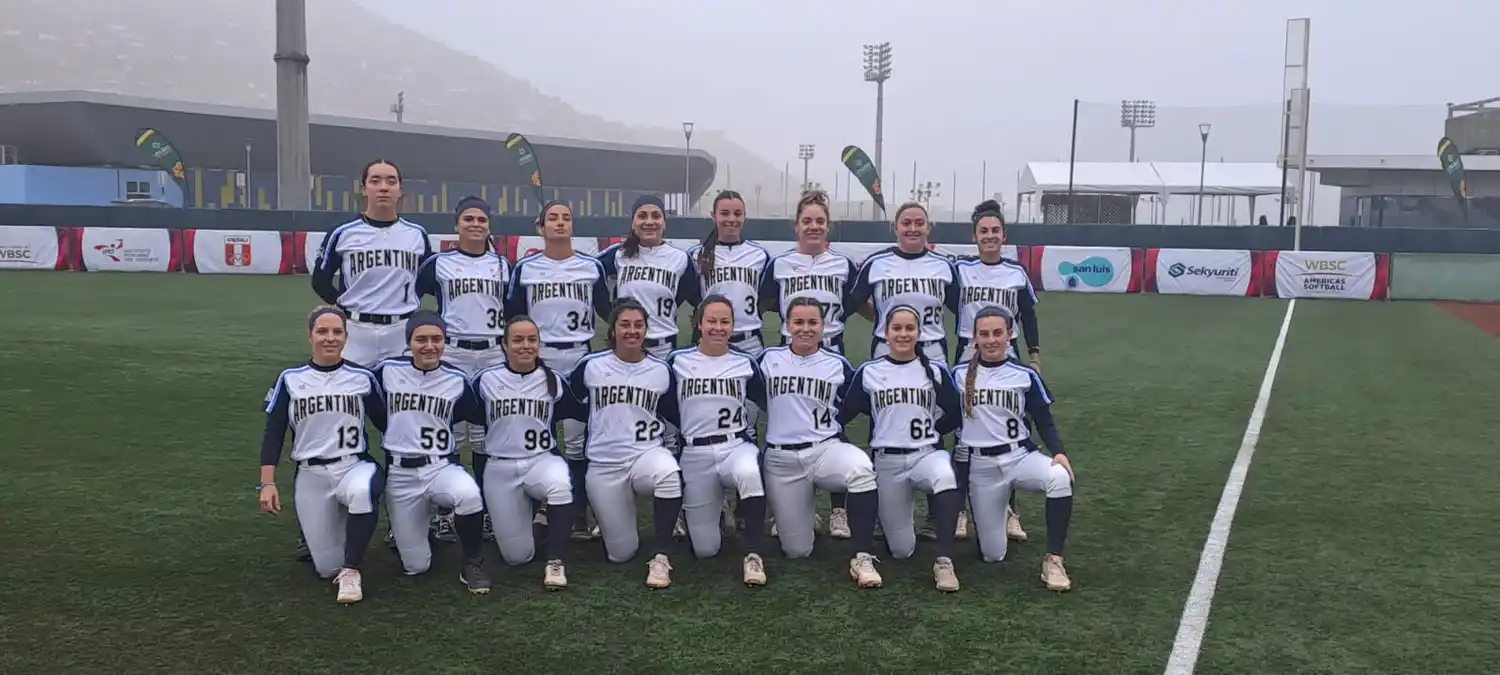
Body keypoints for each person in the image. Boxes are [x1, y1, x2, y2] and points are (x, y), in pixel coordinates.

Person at [257, 306, 388, 604]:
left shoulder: (362, 377)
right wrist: (267, 482)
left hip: (354, 464)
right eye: (322, 331)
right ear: (310, 336)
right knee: (327, 568)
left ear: (346, 337)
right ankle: (340, 535)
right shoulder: (290, 379)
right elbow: (274, 432)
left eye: (337, 332)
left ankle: (352, 570)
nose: (330, 338)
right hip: (311, 474)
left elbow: (387, 424)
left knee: (361, 492)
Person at [758, 297, 884, 588]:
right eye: (798, 322)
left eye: (812, 322)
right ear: (787, 326)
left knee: (861, 470)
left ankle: (862, 555)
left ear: (822, 326)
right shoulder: (767, 360)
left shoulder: (836, 363)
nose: (805, 328)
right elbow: (755, 396)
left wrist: (831, 422)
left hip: (824, 449)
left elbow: (856, 403)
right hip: (782, 460)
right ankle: (803, 512)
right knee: (797, 550)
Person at [505, 200, 611, 541]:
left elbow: (606, 310)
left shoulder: (590, 267)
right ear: (541, 227)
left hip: (579, 355)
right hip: (541, 359)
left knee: (578, 439)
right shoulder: (526, 268)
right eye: (553, 218)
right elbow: (514, 315)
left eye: (566, 217)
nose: (561, 223)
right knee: (540, 435)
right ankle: (541, 505)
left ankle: (578, 508)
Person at [839, 305, 964, 592]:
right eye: (897, 328)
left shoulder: (935, 370)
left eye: (910, 328)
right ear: (885, 332)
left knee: (945, 476)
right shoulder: (869, 372)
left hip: (926, 455)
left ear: (919, 333)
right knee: (901, 550)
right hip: (888, 462)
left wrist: (934, 431)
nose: (903, 334)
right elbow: (845, 412)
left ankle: (944, 561)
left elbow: (956, 414)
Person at [759, 189, 859, 539]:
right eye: (807, 221)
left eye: (819, 221)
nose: (813, 226)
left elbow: (856, 304)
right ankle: (786, 507)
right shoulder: (780, 263)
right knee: (786, 423)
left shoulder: (843, 265)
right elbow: (765, 302)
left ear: (828, 226)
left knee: (832, 428)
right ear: (796, 226)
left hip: (831, 354)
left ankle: (838, 511)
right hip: (790, 354)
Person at [565, 299, 684, 589]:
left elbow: (674, 414)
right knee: (621, 553)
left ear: (646, 330)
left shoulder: (660, 370)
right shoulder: (591, 366)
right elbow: (569, 404)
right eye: (625, 324)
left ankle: (660, 554)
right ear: (613, 328)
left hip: (646, 455)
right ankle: (612, 522)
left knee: (668, 473)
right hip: (604, 464)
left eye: (638, 325)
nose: (632, 331)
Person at [953, 306, 1074, 592]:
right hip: (981, 468)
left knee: (1059, 478)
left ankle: (1054, 559)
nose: (992, 340)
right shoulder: (957, 374)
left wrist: (1058, 452)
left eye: (998, 333)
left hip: (1019, 457)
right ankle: (1002, 508)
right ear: (974, 338)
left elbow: (1044, 419)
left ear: (1010, 335)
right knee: (993, 555)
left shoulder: (1024, 374)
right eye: (984, 334)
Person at [371, 311, 492, 594]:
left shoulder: (456, 378)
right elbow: (376, 409)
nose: (429, 346)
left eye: (437, 339)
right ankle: (423, 533)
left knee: (469, 495)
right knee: (416, 566)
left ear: (445, 342)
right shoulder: (387, 370)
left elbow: (472, 413)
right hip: (400, 473)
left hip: (440, 466)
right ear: (408, 342)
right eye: (421, 339)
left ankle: (472, 561)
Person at [415, 195, 510, 545]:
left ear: (489, 226)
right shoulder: (439, 263)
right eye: (468, 219)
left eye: (481, 220)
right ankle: (446, 511)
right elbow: (412, 297)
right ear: (456, 226)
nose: (475, 225)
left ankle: (483, 511)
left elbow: (512, 307)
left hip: (492, 355)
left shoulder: (502, 265)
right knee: (449, 434)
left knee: (487, 435)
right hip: (452, 353)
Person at [946, 199, 1041, 544]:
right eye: (983, 231)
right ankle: (959, 511)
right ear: (975, 236)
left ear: (1004, 235)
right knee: (964, 432)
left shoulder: (1016, 272)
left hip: (1007, 361)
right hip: (967, 359)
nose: (990, 236)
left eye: (995, 231)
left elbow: (1028, 315)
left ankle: (1009, 511)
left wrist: (1034, 356)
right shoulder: (961, 270)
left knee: (1009, 435)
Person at [667, 295, 770, 586]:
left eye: (725, 321)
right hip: (695, 452)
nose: (718, 327)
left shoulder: (745, 362)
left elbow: (765, 401)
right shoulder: (678, 361)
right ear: (699, 323)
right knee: (705, 549)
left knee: (749, 473)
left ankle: (753, 553)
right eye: (711, 320)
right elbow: (665, 405)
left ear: (733, 326)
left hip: (734, 446)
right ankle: (717, 507)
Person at [472, 315, 575, 590]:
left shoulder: (553, 380)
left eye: (532, 340)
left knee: (560, 485)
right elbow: (468, 414)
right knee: (517, 557)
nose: (525, 346)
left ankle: (556, 560)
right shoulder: (485, 380)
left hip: (541, 459)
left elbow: (578, 411)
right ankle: (541, 521)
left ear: (540, 344)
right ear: (504, 344)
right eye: (517, 340)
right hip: (500, 467)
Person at [311, 159, 433, 367]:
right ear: (363, 189)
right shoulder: (343, 233)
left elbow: (427, 279)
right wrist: (342, 305)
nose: (383, 187)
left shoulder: (417, 234)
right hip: (356, 329)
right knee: (352, 392)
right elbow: (320, 280)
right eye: (375, 181)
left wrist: (408, 299)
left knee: (398, 394)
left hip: (401, 328)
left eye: (391, 182)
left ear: (400, 190)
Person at [848, 201, 960, 362]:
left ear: (928, 228)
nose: (913, 229)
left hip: (931, 350)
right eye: (906, 223)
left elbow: (960, 307)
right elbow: (856, 301)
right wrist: (880, 318)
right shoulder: (876, 263)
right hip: (887, 348)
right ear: (896, 228)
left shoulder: (944, 266)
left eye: (919, 223)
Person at [598, 194, 700, 360]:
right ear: (633, 222)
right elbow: (591, 272)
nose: (650, 222)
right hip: (625, 346)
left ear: (664, 222)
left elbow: (692, 295)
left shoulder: (679, 258)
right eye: (642, 216)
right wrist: (612, 314)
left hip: (663, 348)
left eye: (656, 216)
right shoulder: (619, 253)